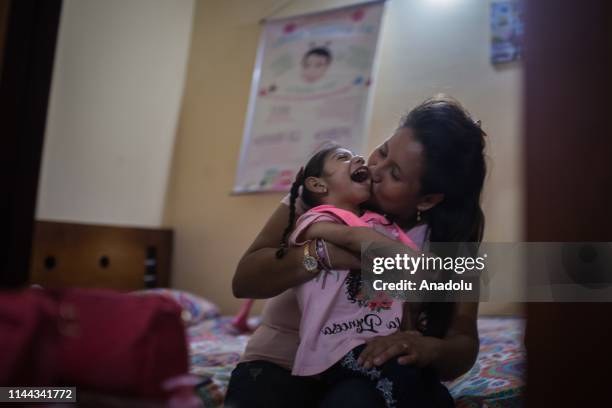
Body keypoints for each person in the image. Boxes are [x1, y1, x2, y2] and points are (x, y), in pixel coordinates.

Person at [225, 95, 486, 407]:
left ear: (427, 200)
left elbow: (464, 340)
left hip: (363, 368)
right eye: (383, 151)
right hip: (279, 362)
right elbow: (245, 281)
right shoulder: (323, 194)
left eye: (395, 174)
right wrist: (318, 256)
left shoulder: (448, 241)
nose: (374, 168)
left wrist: (429, 348)